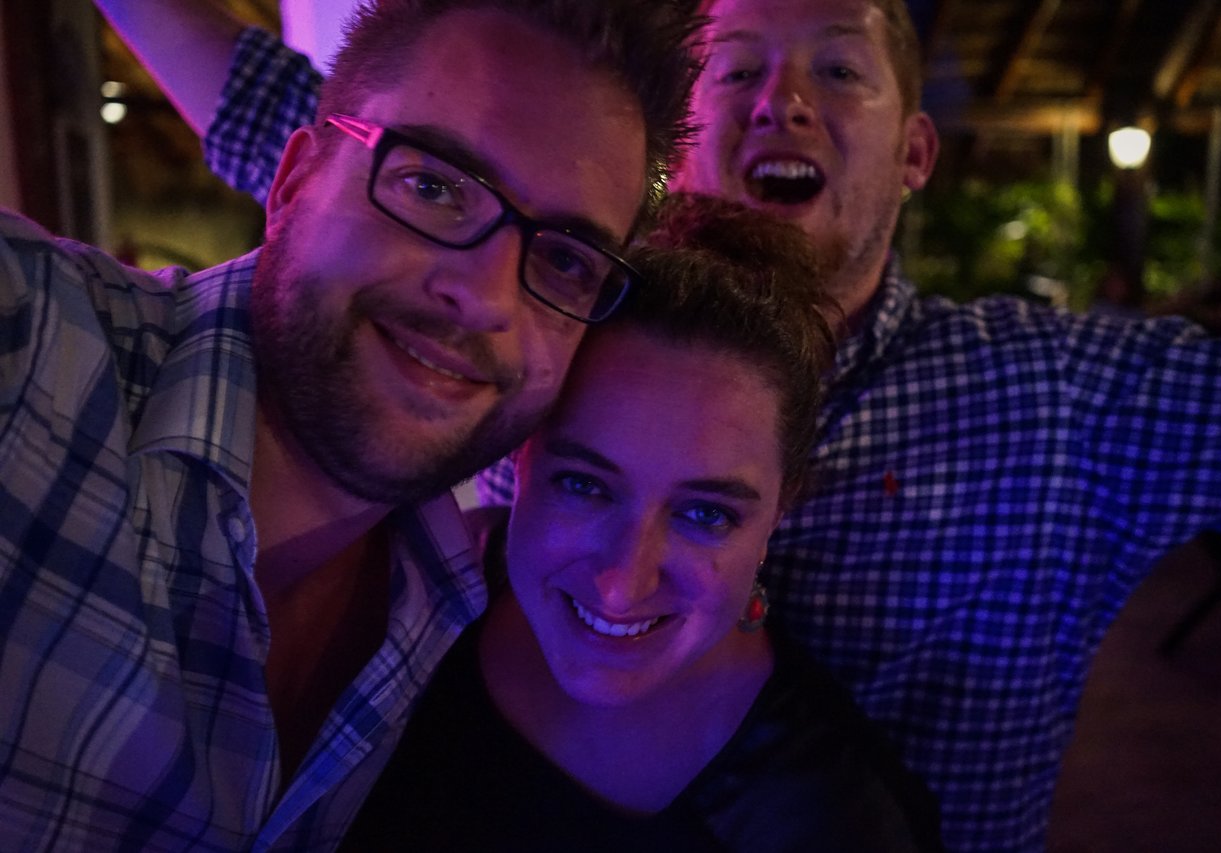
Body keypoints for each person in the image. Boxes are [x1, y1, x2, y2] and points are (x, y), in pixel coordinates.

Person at [95, 0, 1221, 848]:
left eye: (839, 69)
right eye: (737, 68)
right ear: (678, 149)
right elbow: (341, 154)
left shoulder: (1063, 400)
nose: (784, 101)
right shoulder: (552, 300)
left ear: (915, 149)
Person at [0, 2, 702, 849]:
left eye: (563, 258)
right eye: (435, 186)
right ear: (294, 179)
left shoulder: (465, 613)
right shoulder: (31, 342)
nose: (484, 298)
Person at [340, 193, 941, 851]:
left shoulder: (830, 820)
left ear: (781, 507)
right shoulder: (390, 615)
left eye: (705, 514)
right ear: (520, 448)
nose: (622, 584)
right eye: (585, 486)